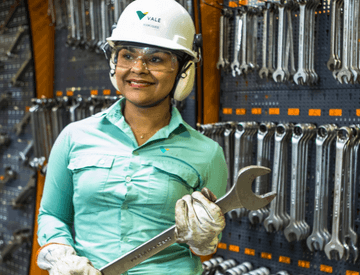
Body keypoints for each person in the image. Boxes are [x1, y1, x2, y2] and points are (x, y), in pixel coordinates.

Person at [36, 0, 228, 274]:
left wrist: (205, 239)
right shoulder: (74, 137)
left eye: (156, 59)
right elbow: (53, 215)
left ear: (183, 70)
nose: (138, 68)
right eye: (127, 55)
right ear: (115, 62)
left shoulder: (208, 154)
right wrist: (59, 254)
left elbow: (205, 248)